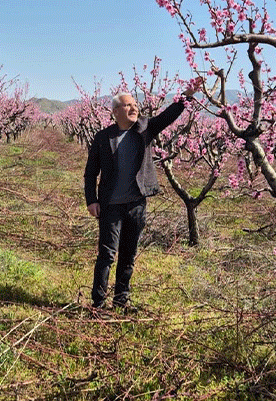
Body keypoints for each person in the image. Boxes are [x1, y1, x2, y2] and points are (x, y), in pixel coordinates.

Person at [83, 84, 197, 309]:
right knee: (107, 254)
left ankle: (121, 300)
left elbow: (168, 115)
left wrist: (187, 96)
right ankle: (98, 304)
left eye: (135, 105)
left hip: (136, 205)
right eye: (128, 105)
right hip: (110, 206)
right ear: (116, 111)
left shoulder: (145, 128)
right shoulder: (103, 137)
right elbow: (90, 172)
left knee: (128, 254)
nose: (134, 108)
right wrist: (91, 200)